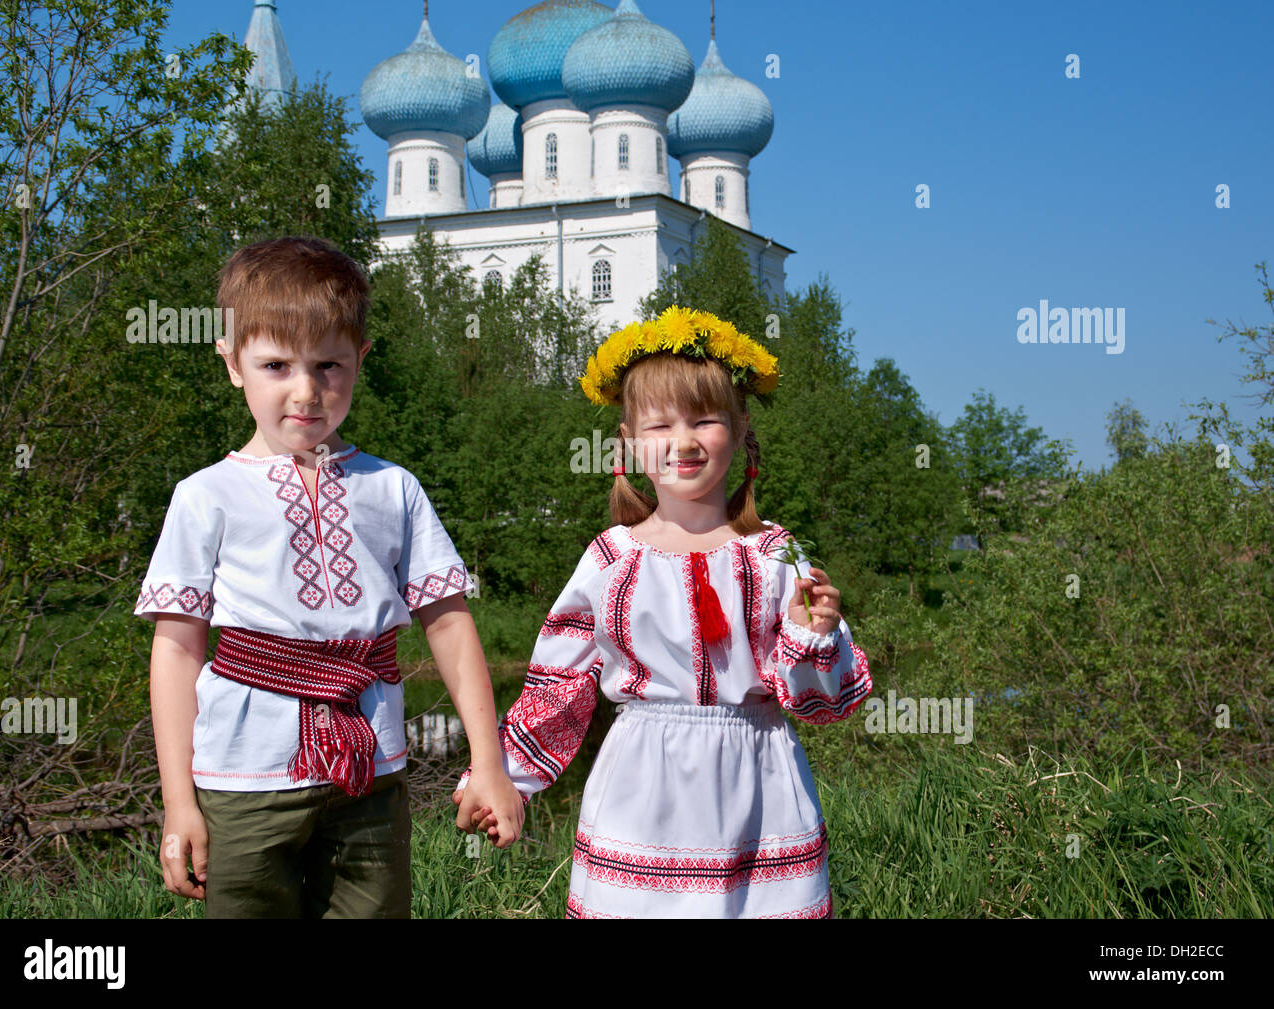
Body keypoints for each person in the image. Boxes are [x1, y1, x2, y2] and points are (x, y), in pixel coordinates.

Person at [137, 235, 523, 918]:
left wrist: (488, 762)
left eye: (328, 364)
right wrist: (178, 802)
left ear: (360, 361)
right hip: (244, 775)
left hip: (370, 773)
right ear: (232, 363)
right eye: (276, 364)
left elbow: (449, 622)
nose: (306, 390)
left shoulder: (393, 488)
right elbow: (176, 648)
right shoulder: (207, 495)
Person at [453, 306, 873, 918]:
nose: (682, 442)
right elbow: (559, 689)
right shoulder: (611, 559)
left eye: (705, 420)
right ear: (627, 444)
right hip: (643, 789)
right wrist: (500, 780)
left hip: (761, 791)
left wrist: (817, 639)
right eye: (658, 426)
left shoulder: (778, 553)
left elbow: (825, 704)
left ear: (741, 430)